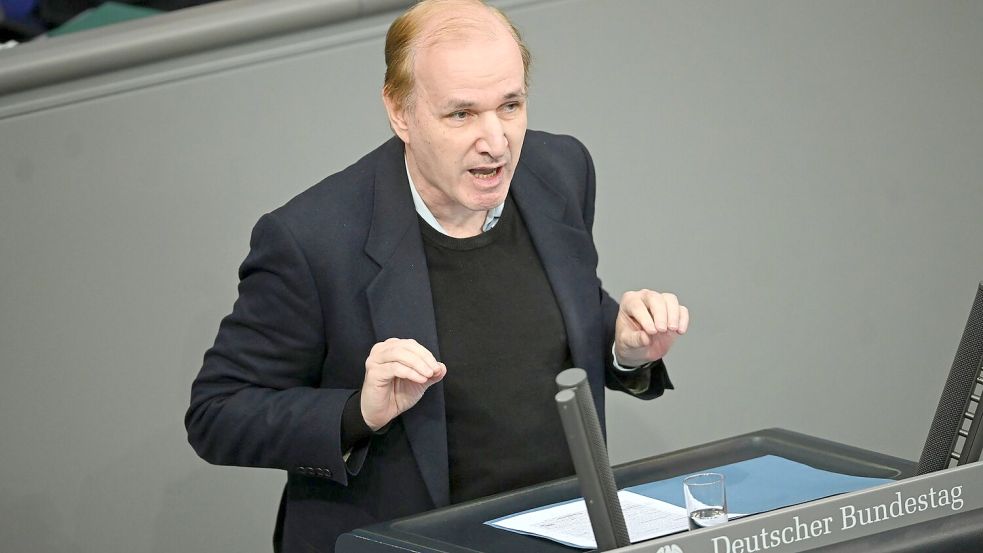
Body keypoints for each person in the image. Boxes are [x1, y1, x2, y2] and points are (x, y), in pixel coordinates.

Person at [185, 1, 688, 551]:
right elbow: (218, 413)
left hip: (560, 532)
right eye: (461, 114)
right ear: (401, 112)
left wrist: (623, 348)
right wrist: (359, 411)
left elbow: (552, 319)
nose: (495, 142)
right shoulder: (312, 240)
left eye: (510, 106)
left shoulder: (560, 171)